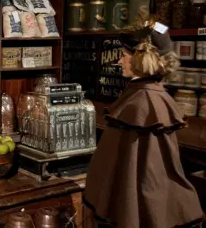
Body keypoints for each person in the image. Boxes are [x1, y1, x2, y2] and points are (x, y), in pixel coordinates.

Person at [84, 19, 204, 228]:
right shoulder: (141, 94)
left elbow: (145, 171)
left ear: (141, 59)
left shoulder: (143, 102)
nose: (119, 61)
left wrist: (155, 26)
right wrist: (155, 25)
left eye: (123, 56)